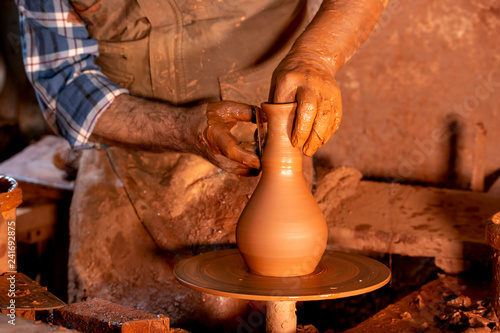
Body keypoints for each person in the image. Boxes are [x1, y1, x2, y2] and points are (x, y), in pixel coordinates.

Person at [16, 0, 387, 330]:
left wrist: (315, 58)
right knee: (113, 314)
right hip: (130, 152)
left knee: (259, 305)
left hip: (261, 147)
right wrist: (179, 129)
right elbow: (62, 78)